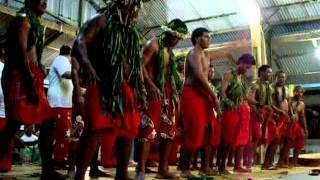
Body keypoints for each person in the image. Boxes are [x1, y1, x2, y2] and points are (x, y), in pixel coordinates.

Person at [71, 0, 146, 179]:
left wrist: (141, 87)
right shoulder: (101, 20)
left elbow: (136, 64)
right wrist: (87, 65)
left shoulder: (132, 33)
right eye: (134, 4)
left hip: (127, 88)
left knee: (128, 132)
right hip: (102, 83)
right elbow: (79, 42)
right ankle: (79, 175)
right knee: (94, 130)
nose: (137, 9)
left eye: (138, 5)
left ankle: (122, 175)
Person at [0, 0, 66, 179]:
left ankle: (47, 170)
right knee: (13, 124)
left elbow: (30, 53)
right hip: (19, 77)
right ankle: (47, 170)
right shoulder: (23, 20)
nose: (45, 1)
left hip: (29, 75)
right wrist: (29, 82)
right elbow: (21, 54)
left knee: (46, 121)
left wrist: (38, 70)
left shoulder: (33, 23)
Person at [136, 19, 188, 179]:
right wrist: (150, 86)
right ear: (168, 33)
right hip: (153, 92)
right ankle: (141, 170)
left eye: (179, 39)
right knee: (148, 130)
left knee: (168, 133)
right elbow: (139, 66)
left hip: (167, 94)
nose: (177, 41)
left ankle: (162, 170)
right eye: (175, 37)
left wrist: (175, 94)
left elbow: (169, 75)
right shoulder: (153, 44)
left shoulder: (169, 52)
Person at [179, 27, 220, 178]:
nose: (209, 39)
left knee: (208, 131)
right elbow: (197, 75)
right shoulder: (193, 53)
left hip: (204, 96)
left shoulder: (207, 54)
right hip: (192, 94)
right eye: (206, 37)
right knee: (194, 131)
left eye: (210, 37)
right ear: (197, 38)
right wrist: (214, 96)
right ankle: (184, 168)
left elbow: (207, 75)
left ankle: (205, 167)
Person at [219, 54, 256, 174]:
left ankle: (236, 166)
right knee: (227, 140)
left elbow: (245, 96)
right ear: (239, 62)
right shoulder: (229, 75)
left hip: (240, 112)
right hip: (229, 112)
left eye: (249, 67)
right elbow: (222, 93)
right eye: (246, 65)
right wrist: (231, 104)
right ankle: (221, 167)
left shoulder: (243, 79)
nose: (247, 68)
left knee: (238, 139)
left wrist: (259, 104)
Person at [47, 45, 73, 166]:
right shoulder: (61, 59)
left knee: (64, 132)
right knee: (61, 132)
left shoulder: (64, 62)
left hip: (63, 102)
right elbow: (66, 74)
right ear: (70, 53)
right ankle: (58, 159)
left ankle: (60, 158)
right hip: (59, 102)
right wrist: (80, 72)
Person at [250, 65, 274, 170]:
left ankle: (267, 163)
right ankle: (248, 163)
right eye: (268, 72)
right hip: (255, 114)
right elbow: (250, 101)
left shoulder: (269, 86)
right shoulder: (255, 85)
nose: (270, 74)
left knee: (272, 137)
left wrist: (276, 113)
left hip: (266, 113)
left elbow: (270, 104)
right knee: (256, 137)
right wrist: (257, 113)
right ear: (262, 72)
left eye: (270, 72)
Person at [270, 71, 290, 168]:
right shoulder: (271, 88)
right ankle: (267, 163)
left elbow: (288, 103)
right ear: (276, 77)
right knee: (275, 140)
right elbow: (270, 103)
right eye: (280, 77)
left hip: (285, 116)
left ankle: (281, 162)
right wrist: (278, 112)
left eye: (283, 77)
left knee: (287, 139)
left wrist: (290, 114)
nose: (281, 79)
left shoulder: (286, 89)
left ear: (285, 78)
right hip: (275, 116)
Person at [289, 86, 308, 166]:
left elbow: (302, 117)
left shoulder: (301, 103)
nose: (300, 94)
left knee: (301, 139)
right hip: (287, 123)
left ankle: (294, 161)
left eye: (301, 92)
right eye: (298, 92)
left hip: (296, 124)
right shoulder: (289, 100)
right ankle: (284, 161)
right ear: (294, 92)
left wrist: (305, 128)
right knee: (287, 143)